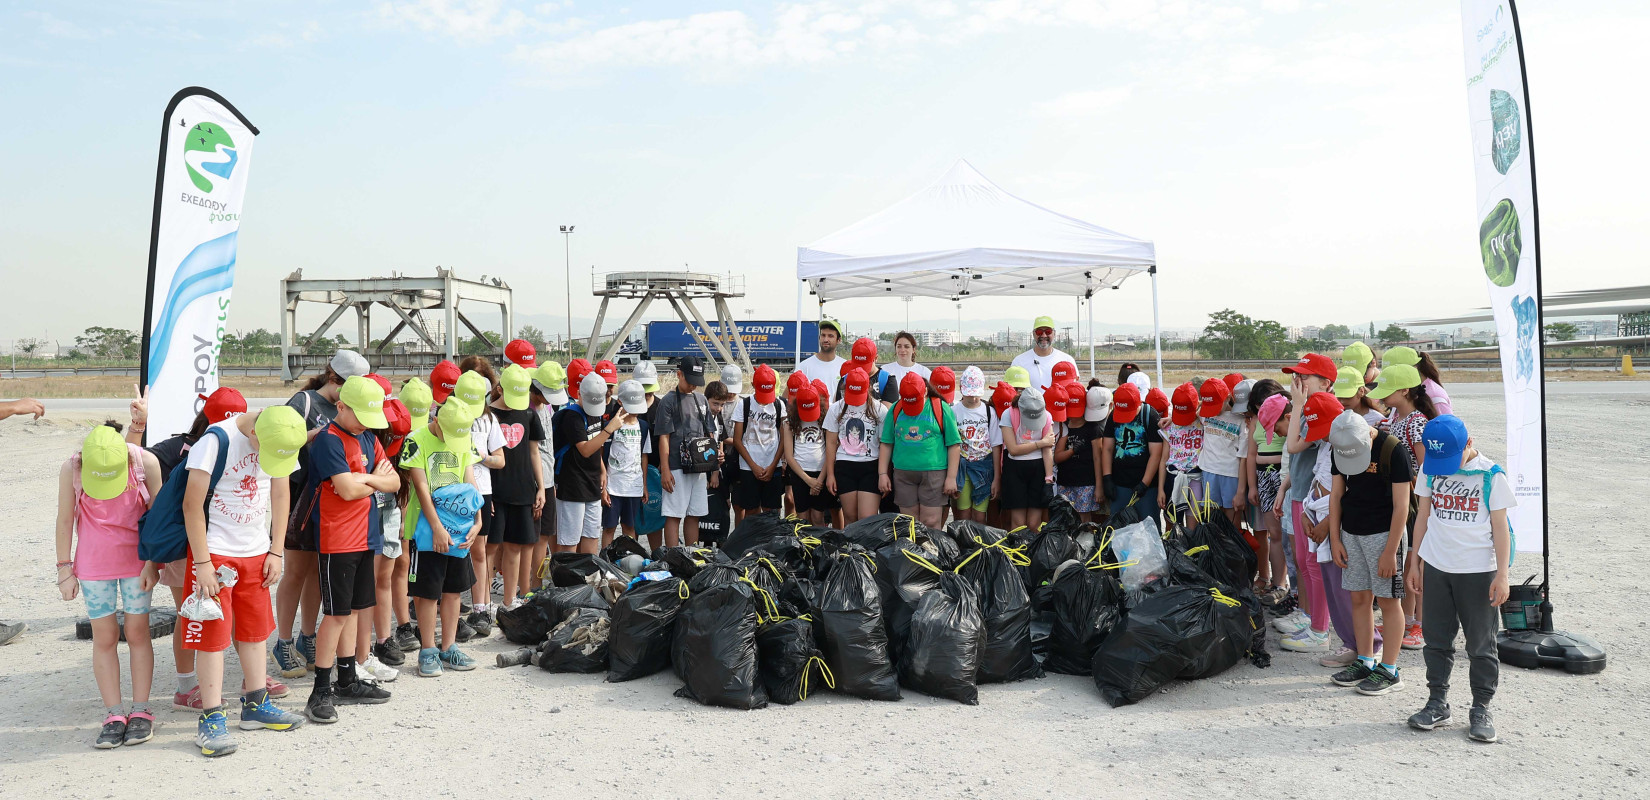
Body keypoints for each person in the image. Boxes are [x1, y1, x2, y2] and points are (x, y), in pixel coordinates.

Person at [182, 405, 310, 757]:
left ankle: (255, 704)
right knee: (212, 636)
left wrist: (277, 549)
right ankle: (210, 717)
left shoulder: (281, 434)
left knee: (255, 630)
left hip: (257, 552)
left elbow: (281, 493)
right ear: (255, 434)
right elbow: (191, 505)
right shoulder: (216, 441)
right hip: (216, 553)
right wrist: (203, 562)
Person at [1403, 415, 1511, 743]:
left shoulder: (1491, 475)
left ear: (1469, 442)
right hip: (1437, 566)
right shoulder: (1431, 467)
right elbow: (1422, 515)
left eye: (1451, 458)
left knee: (1480, 644)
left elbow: (1499, 528)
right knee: (1436, 640)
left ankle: (1481, 708)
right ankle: (1437, 702)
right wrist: (1415, 562)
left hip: (1478, 572)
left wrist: (1503, 575)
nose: (1444, 467)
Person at [55, 424, 163, 748]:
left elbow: (158, 516)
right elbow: (64, 519)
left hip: (137, 565)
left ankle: (141, 710)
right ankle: (114, 714)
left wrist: (153, 563)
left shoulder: (145, 463)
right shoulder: (72, 467)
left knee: (138, 633)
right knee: (104, 637)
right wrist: (64, 569)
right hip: (93, 567)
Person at [303, 376, 397, 724]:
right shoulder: (329, 440)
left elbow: (394, 482)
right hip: (337, 538)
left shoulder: (369, 437)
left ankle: (346, 679)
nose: (366, 424)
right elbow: (344, 490)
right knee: (337, 614)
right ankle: (321, 689)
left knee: (356, 610)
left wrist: (367, 480)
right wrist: (372, 479)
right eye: (360, 415)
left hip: (365, 537)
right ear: (340, 406)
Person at [273, 349, 367, 680]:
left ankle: (307, 636)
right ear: (333, 379)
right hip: (301, 497)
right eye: (347, 386)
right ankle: (283, 641)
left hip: (331, 504)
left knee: (316, 572)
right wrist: (316, 435)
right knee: (296, 571)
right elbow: (278, 444)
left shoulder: (352, 406)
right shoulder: (304, 403)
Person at [1326, 410, 1412, 696]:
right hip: (1351, 534)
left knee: (1388, 601)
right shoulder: (1339, 446)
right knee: (1359, 598)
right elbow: (1336, 495)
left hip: (1385, 535)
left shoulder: (1393, 450)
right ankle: (1365, 659)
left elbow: (1402, 506)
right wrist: (1335, 538)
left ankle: (1389, 669)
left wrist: (1391, 551)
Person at [401, 401, 484, 677]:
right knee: (426, 592)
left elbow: (471, 482)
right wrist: (436, 527)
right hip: (426, 531)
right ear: (436, 421)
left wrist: (478, 520)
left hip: (459, 528)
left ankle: (449, 647)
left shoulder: (463, 437)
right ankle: (428, 649)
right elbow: (421, 486)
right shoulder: (416, 440)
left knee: (453, 589)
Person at [1370, 362, 1438, 650]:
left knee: (1416, 563)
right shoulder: (1395, 418)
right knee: (1406, 562)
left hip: (1414, 501)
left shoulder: (1418, 422)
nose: (1382, 396)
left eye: (1387, 391)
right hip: (1401, 499)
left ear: (1406, 391)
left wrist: (1423, 503)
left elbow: (1426, 469)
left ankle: (1421, 626)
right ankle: (1407, 619)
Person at [1274, 354, 1340, 649]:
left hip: (1319, 501)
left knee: (1314, 564)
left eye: (1305, 377)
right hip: (1305, 494)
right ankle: (1311, 620)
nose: (1297, 382)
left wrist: (1298, 404)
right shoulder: (1313, 407)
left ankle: (1319, 629)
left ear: (1326, 383)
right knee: (1305, 562)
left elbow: (1292, 446)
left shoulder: (1324, 410)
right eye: (1296, 375)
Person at [488, 364, 547, 611]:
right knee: (490, 547)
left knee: (514, 546)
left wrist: (541, 488)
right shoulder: (487, 415)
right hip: (495, 491)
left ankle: (509, 600)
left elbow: (534, 453)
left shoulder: (529, 414)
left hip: (523, 489)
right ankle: (484, 603)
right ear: (500, 389)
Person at [877, 372, 961, 528]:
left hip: (933, 473)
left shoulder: (940, 408)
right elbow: (886, 443)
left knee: (931, 522)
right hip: (903, 474)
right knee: (910, 524)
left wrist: (951, 477)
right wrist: (883, 474)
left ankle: (932, 552)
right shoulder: (896, 409)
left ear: (926, 392)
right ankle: (912, 552)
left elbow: (954, 445)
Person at [553, 374, 623, 555]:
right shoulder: (572, 416)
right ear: (580, 395)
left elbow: (596, 444)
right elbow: (584, 449)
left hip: (592, 481)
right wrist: (610, 429)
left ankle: (589, 576)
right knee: (570, 538)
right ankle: (568, 579)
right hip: (572, 483)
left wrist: (602, 469)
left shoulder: (596, 413)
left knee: (591, 534)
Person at [655, 356, 717, 547]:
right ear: (679, 374)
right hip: (676, 465)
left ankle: (692, 554)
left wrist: (714, 464)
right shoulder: (668, 401)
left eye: (696, 383)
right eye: (690, 381)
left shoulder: (701, 400)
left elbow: (710, 433)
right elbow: (663, 438)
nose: (693, 386)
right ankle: (674, 556)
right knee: (674, 515)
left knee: (694, 513)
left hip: (699, 466)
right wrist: (665, 469)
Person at [824, 367, 884, 525]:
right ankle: (851, 550)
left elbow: (885, 444)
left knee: (867, 518)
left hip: (871, 466)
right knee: (850, 517)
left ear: (869, 387)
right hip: (845, 466)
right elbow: (830, 442)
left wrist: (885, 474)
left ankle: (867, 549)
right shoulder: (836, 408)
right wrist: (830, 474)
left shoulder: (879, 409)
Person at [1100, 382, 1164, 522]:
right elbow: (1107, 448)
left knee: (1148, 528)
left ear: (1138, 404)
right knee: (1118, 528)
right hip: (1120, 483)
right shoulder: (1113, 416)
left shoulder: (1150, 416)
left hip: (1146, 486)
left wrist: (1144, 483)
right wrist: (1107, 477)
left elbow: (1156, 453)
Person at [1250, 389, 1291, 602]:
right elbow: (1251, 454)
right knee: (1274, 534)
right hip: (1263, 479)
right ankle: (1277, 584)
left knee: (1287, 535)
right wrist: (1251, 486)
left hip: (1282, 476)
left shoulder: (1289, 422)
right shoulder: (1257, 421)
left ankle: (1284, 584)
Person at [732, 364, 787, 519]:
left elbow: (784, 438)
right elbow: (737, 440)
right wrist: (754, 466)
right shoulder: (744, 404)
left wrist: (773, 465)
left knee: (772, 512)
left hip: (773, 465)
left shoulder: (778, 405)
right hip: (748, 467)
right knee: (751, 511)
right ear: (753, 386)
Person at [1000, 386, 1056, 532]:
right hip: (1015, 468)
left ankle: (1032, 553)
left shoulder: (1047, 416)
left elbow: (1047, 450)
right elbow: (1013, 449)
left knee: (1033, 524)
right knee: (1018, 524)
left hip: (1038, 469)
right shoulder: (1009, 414)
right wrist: (1040, 443)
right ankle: (1017, 552)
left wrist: (1049, 480)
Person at [950, 367, 1000, 524]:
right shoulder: (954, 411)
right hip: (962, 467)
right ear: (961, 389)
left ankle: (979, 546)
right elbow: (950, 445)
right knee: (963, 514)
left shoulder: (989, 412)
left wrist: (997, 478)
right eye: (969, 394)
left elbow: (996, 445)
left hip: (984, 468)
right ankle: (965, 546)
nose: (972, 398)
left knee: (979, 516)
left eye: (976, 394)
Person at [604, 379, 652, 541]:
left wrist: (644, 485)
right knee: (609, 527)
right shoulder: (611, 425)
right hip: (613, 486)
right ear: (620, 402)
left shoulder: (643, 427)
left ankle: (629, 560)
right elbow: (603, 456)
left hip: (634, 486)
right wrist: (603, 487)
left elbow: (644, 456)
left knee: (630, 526)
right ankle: (606, 562)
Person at [1195, 378, 1246, 528]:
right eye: (1208, 405)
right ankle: (1215, 549)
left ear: (1228, 398)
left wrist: (1241, 491)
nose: (1214, 411)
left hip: (1231, 473)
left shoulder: (1241, 421)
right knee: (1211, 518)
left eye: (1216, 405)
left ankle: (1232, 549)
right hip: (1209, 471)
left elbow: (1243, 457)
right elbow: (1194, 411)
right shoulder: (1204, 413)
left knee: (1232, 520)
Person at [782, 385, 835, 524]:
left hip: (820, 472)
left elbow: (830, 450)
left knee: (818, 516)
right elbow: (789, 456)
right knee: (803, 518)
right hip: (800, 474)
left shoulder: (825, 419)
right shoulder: (789, 423)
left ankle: (819, 545)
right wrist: (808, 480)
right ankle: (803, 545)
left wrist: (819, 480)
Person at [1054, 382, 1102, 522]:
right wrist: (1072, 450)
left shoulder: (1092, 427)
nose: (1074, 416)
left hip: (1086, 482)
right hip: (1064, 481)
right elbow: (1057, 456)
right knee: (1065, 517)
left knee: (1083, 518)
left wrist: (1099, 485)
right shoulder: (1062, 426)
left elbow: (1098, 457)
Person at [1158, 383, 1203, 530]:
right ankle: (1173, 552)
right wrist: (1160, 489)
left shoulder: (1203, 422)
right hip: (1173, 477)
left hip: (1195, 478)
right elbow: (1163, 460)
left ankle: (1191, 553)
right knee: (1171, 527)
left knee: (1193, 529)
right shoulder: (1170, 426)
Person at [1010, 315, 1077, 391]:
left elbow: (1074, 390)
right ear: (1034, 334)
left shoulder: (1067, 360)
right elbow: (1012, 393)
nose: (1044, 335)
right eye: (1039, 332)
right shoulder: (1019, 362)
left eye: (1048, 332)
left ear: (1054, 333)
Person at [1383, 346, 1453, 415]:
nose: (1390, 378)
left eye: (1393, 374)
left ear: (1414, 368)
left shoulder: (1435, 397)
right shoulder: (1405, 392)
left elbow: (1446, 425)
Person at [795, 319, 846, 403]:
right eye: (823, 335)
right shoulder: (804, 367)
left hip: (838, 416)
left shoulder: (845, 366)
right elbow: (791, 398)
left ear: (839, 340)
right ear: (819, 338)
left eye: (830, 336)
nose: (825, 339)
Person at [877, 331, 931, 402]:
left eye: (906, 347)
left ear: (913, 349)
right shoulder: (884, 370)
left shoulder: (925, 372)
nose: (902, 350)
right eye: (899, 346)